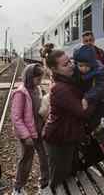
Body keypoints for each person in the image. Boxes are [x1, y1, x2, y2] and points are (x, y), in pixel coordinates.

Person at [41, 49, 92, 190]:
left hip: (66, 136)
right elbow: (83, 112)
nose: (71, 65)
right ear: (54, 69)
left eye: (69, 61)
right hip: (58, 139)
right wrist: (89, 99)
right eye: (65, 64)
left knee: (68, 176)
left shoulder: (67, 80)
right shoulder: (60, 88)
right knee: (58, 181)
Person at [10, 64, 51, 195]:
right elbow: (16, 118)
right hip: (27, 135)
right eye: (38, 79)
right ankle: (18, 188)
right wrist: (26, 136)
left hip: (39, 131)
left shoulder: (37, 89)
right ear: (29, 77)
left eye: (41, 78)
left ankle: (44, 184)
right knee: (26, 161)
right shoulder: (20, 93)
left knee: (45, 158)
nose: (40, 81)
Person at [73, 45, 104, 160]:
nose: (83, 68)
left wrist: (86, 98)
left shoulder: (100, 70)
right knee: (93, 122)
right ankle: (88, 142)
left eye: (86, 66)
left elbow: (100, 87)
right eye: (80, 65)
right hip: (97, 101)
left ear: (92, 63)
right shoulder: (77, 70)